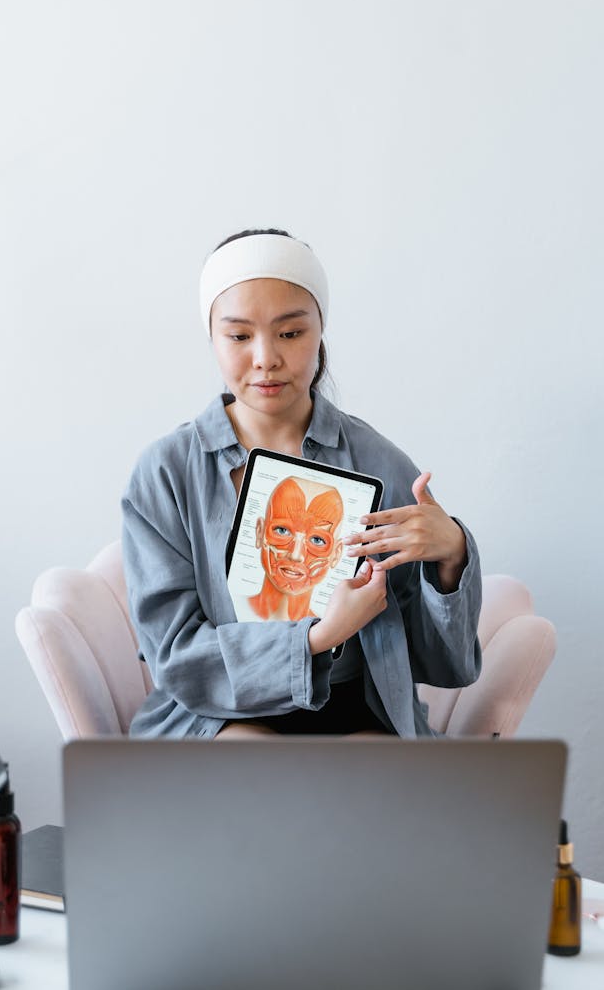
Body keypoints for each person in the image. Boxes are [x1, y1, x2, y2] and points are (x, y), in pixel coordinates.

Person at [121, 229, 482, 739]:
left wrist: (450, 557)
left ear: (320, 332)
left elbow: (442, 665)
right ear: (211, 337)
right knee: (261, 770)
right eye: (239, 336)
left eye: (290, 333)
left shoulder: (378, 461)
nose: (266, 357)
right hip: (215, 712)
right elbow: (176, 658)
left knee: (377, 789)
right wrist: (317, 638)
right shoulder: (166, 472)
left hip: (358, 705)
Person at [247, 476, 344, 622]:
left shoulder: (332, 634)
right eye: (281, 530)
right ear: (260, 532)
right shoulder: (223, 609)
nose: (296, 555)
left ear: (336, 554)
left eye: (317, 540)